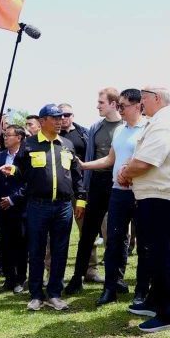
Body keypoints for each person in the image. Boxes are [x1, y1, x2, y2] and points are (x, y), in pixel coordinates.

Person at [117, 88, 170, 332]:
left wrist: (126, 173)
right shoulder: (156, 121)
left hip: (164, 198)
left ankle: (169, 314)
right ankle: (155, 301)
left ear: (157, 98)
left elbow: (146, 161)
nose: (141, 103)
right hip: (154, 196)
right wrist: (129, 170)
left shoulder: (166, 121)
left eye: (144, 98)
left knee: (163, 255)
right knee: (154, 253)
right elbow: (140, 158)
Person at [0, 104, 85, 311]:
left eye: (61, 117)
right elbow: (21, 172)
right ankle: (36, 294)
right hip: (37, 205)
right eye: (54, 118)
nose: (59, 121)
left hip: (63, 206)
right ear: (43, 120)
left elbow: (76, 176)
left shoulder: (67, 144)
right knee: (36, 250)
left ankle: (54, 293)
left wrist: (81, 200)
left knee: (60, 250)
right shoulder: (29, 145)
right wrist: (14, 170)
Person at [81, 89, 148, 306]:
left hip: (140, 193)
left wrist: (130, 173)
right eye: (118, 105)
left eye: (123, 106)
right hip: (118, 193)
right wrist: (84, 165)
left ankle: (141, 290)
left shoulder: (148, 128)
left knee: (144, 243)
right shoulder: (120, 130)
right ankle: (110, 287)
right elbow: (110, 160)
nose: (119, 110)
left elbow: (150, 161)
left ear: (138, 106)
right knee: (114, 241)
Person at [66, 88, 121, 295]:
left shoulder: (128, 127)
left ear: (114, 104)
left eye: (101, 102)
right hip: (97, 183)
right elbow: (89, 160)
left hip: (120, 184)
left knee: (117, 235)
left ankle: (116, 279)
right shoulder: (95, 128)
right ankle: (77, 277)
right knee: (87, 233)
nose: (97, 106)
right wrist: (84, 192)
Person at [0, 125, 28, 292]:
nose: (5, 138)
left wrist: (13, 199)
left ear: (19, 137)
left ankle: (21, 280)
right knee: (5, 245)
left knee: (21, 245)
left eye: (8, 135)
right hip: (2, 209)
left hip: (21, 208)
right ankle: (9, 279)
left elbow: (30, 182)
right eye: (4, 135)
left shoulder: (26, 156)